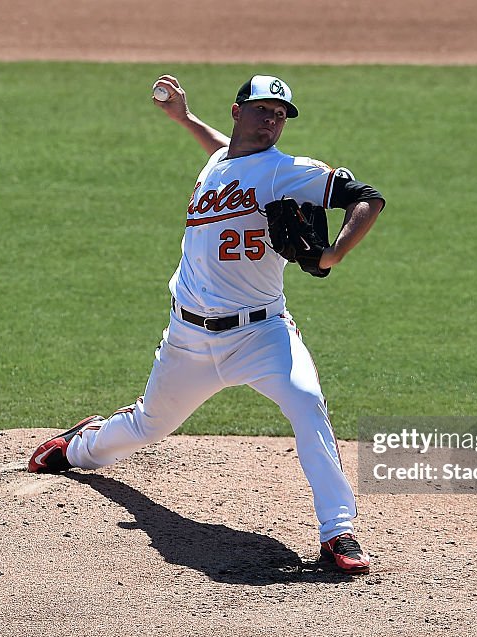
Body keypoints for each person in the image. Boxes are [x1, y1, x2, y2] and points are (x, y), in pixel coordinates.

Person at [28, 74, 385, 575]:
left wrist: (332, 254)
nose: (272, 121)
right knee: (147, 426)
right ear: (238, 113)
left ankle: (338, 531)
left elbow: (367, 197)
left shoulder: (289, 171)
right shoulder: (222, 160)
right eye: (263, 110)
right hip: (188, 338)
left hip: (262, 335)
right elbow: (228, 152)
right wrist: (185, 119)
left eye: (280, 115)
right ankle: (79, 446)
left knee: (307, 405)